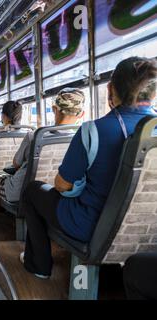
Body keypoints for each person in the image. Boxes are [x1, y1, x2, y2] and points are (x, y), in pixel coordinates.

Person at [20, 57, 156, 279]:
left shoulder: (93, 131)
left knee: (32, 191)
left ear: (110, 89)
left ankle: (39, 265)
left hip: (90, 225)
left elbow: (63, 185)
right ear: (152, 93)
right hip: (148, 228)